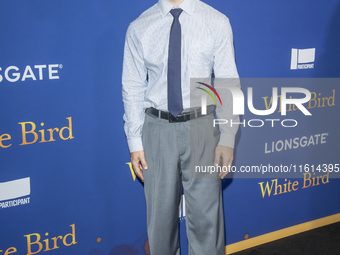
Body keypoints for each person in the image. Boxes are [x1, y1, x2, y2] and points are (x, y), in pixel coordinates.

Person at [122, 0, 239, 254]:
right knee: (160, 224)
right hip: (156, 129)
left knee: (208, 222)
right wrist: (134, 141)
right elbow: (132, 87)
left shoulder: (216, 21)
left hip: (202, 128)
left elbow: (228, 83)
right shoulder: (139, 26)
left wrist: (228, 136)